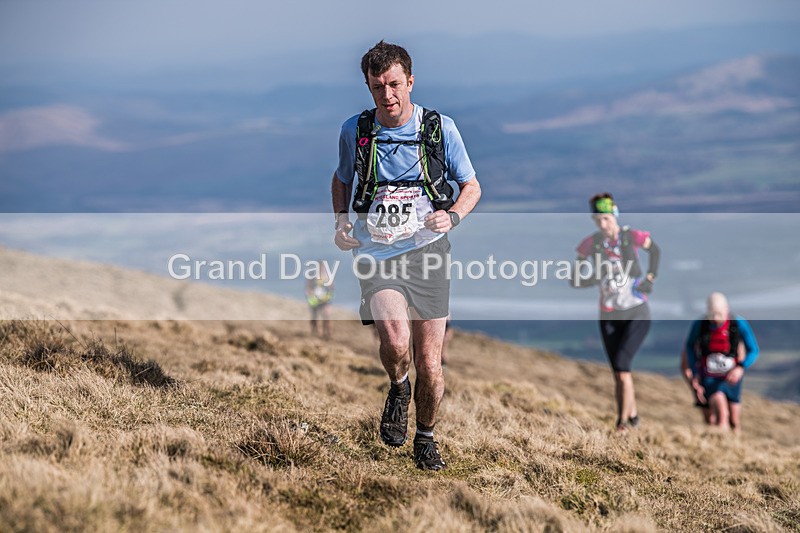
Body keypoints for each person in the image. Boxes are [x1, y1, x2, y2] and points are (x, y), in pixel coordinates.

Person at [331, 41, 481, 470]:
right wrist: (341, 220)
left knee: (430, 363)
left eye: (394, 84)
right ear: (368, 87)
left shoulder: (439, 129)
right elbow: (341, 178)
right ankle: (398, 386)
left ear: (410, 82)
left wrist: (451, 217)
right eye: (377, 87)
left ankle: (426, 438)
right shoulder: (355, 131)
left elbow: (471, 186)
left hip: (428, 253)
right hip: (377, 253)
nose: (387, 95)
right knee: (396, 342)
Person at [571, 193, 661, 431]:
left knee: (622, 366)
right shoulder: (590, 244)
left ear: (615, 216)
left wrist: (650, 278)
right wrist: (589, 279)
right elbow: (576, 276)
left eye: (607, 219)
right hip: (609, 314)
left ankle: (621, 424)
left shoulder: (632, 237)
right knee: (619, 372)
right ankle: (632, 418)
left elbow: (656, 251)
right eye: (598, 220)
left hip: (636, 312)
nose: (603, 224)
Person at [683, 292, 759, 432]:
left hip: (731, 377)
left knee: (734, 421)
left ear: (727, 309)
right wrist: (694, 372)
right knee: (722, 416)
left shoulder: (739, 324)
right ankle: (720, 447)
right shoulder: (700, 325)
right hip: (710, 377)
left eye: (719, 315)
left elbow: (753, 350)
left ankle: (737, 448)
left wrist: (740, 368)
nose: (716, 320)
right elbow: (689, 346)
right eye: (712, 316)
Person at [305, 266, 334, 339]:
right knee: (314, 317)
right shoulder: (312, 278)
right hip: (315, 300)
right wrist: (310, 296)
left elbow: (331, 289)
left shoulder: (327, 278)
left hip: (325, 301)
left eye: (322, 268)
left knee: (326, 317)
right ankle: (315, 332)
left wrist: (328, 297)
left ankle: (327, 333)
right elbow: (308, 288)